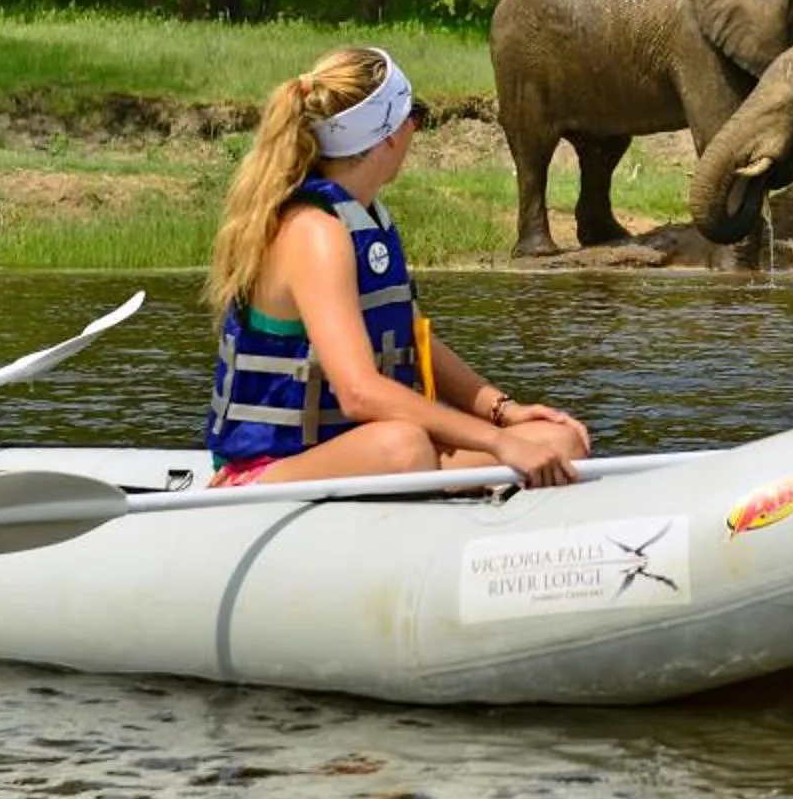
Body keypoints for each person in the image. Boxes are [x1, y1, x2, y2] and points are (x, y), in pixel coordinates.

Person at [206, 46, 591, 488]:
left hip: (368, 453)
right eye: (416, 114)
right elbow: (357, 392)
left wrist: (502, 411)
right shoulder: (314, 232)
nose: (415, 128)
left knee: (559, 441)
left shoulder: (366, 218)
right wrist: (497, 442)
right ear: (389, 132)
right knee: (404, 446)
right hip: (284, 463)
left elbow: (410, 334)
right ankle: (250, 486)